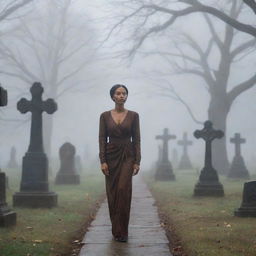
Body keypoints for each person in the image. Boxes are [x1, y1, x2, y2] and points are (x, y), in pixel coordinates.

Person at [98, 84, 141, 242]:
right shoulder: (104, 116)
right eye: (118, 93)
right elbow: (102, 139)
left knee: (123, 190)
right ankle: (116, 229)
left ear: (126, 96)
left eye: (124, 93)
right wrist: (103, 160)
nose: (122, 96)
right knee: (113, 192)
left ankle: (123, 231)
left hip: (127, 155)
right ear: (113, 96)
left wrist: (137, 161)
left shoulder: (134, 116)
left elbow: (137, 139)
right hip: (110, 156)